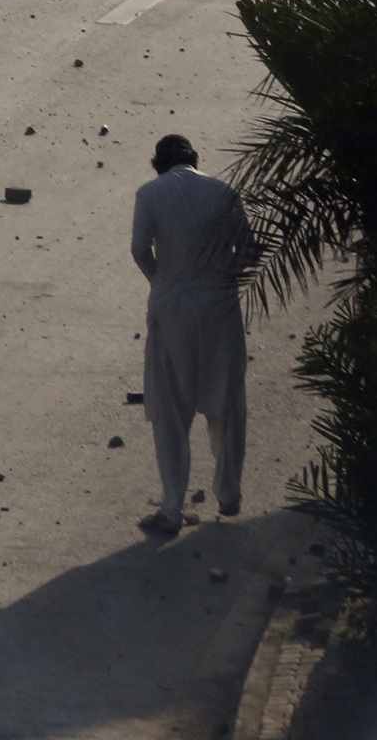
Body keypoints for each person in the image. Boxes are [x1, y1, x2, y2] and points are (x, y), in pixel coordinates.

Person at [130, 134, 252, 536]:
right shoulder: (223, 191)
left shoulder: (150, 193)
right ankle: (229, 494)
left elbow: (138, 248)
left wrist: (160, 282)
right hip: (221, 310)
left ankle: (171, 508)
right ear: (196, 159)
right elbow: (249, 250)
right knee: (227, 402)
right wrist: (223, 283)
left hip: (173, 310)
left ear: (158, 163)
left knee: (171, 410)